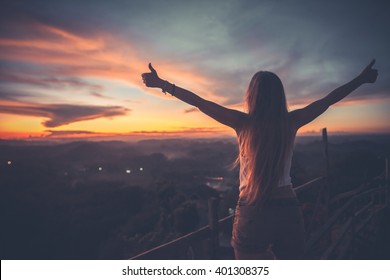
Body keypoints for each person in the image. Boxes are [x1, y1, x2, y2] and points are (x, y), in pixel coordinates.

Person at [141, 60, 378, 259]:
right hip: (288, 209)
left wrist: (162, 84)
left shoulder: (243, 124)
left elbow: (200, 103)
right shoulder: (291, 121)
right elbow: (327, 100)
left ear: (251, 96)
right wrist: (361, 79)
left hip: (253, 211)